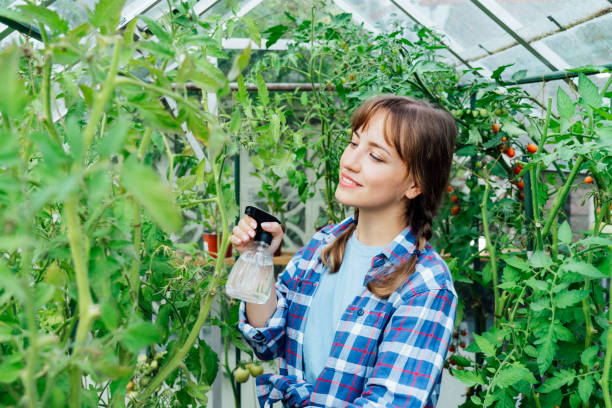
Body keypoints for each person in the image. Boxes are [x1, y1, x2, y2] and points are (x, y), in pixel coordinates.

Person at [230, 95, 458, 407]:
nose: (350, 161)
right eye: (353, 143)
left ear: (415, 185)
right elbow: (267, 342)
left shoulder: (426, 286)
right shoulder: (326, 244)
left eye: (375, 157)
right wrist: (259, 260)